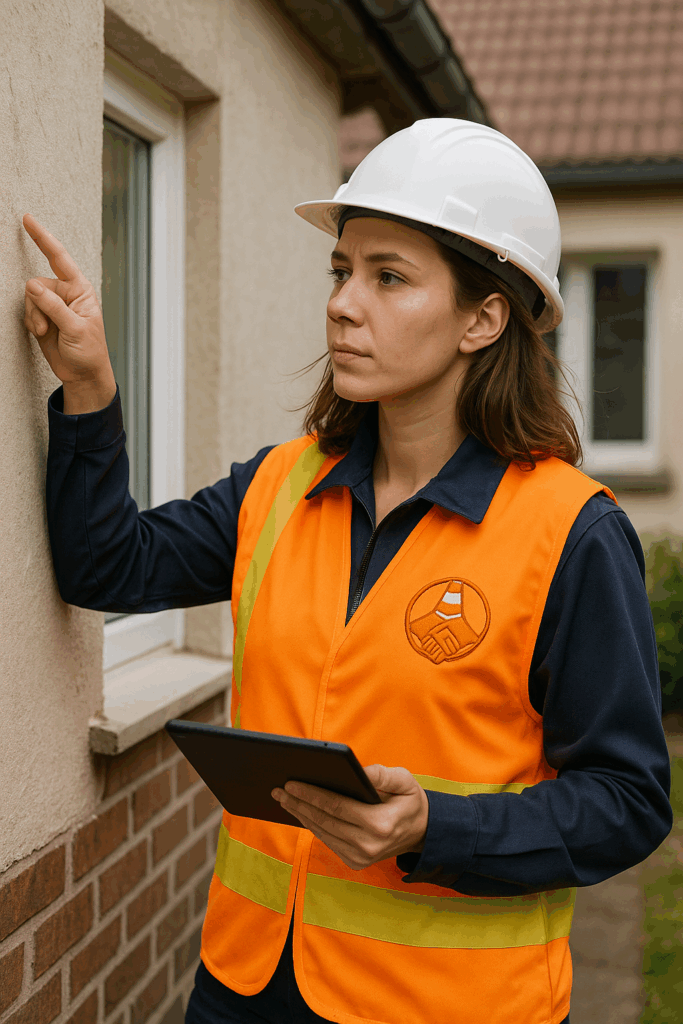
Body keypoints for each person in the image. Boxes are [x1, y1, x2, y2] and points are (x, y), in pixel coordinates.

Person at [23, 118, 671, 1024]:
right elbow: (109, 564)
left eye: (388, 277)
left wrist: (430, 827)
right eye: (342, 270)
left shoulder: (571, 531)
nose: (342, 302)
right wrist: (89, 388)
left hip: (446, 1008)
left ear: (482, 319)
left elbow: (627, 802)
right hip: (244, 985)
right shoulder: (281, 485)